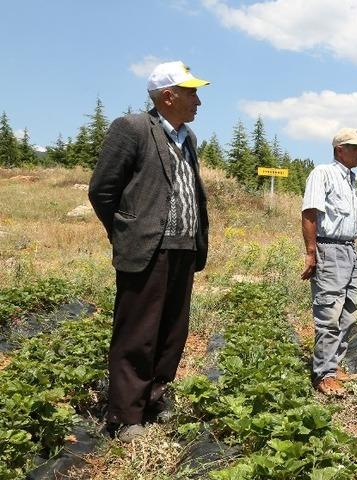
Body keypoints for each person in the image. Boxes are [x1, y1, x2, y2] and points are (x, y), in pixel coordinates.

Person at [89, 61, 210, 442]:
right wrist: (126, 231)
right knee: (136, 333)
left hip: (183, 248)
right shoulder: (133, 129)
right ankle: (125, 416)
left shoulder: (187, 138)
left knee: (172, 330)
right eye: (191, 93)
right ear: (168, 96)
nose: (198, 101)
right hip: (147, 248)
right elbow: (102, 190)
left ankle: (155, 399)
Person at [301, 128, 357, 396]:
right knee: (328, 313)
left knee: (348, 312)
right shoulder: (323, 173)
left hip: (349, 250)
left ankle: (334, 365)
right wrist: (311, 252)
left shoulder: (350, 179)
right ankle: (323, 374)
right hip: (329, 249)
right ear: (339, 150)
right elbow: (310, 213)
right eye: (356, 147)